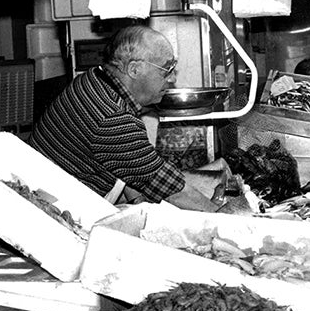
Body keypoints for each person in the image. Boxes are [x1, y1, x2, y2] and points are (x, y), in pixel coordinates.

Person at [29, 24, 220, 211]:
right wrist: (222, 217)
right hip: (55, 211)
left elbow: (124, 164)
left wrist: (137, 200)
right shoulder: (113, 118)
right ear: (134, 69)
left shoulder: (94, 78)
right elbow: (169, 187)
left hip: (45, 193)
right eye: (166, 70)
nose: (171, 79)